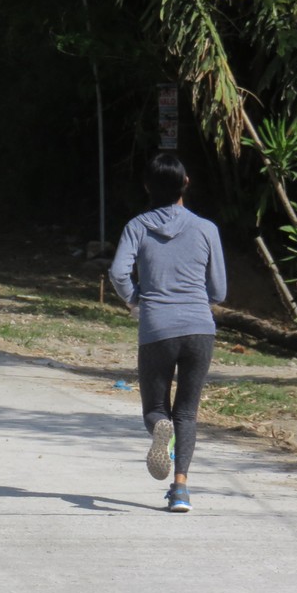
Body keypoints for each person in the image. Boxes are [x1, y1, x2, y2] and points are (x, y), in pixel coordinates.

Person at [108, 153, 227, 513]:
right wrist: (195, 303)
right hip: (200, 329)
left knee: (156, 409)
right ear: (185, 183)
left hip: (157, 326)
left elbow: (118, 272)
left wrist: (135, 300)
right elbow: (219, 291)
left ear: (147, 186)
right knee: (187, 413)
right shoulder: (206, 229)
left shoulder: (137, 226)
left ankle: (161, 426)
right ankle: (181, 491)